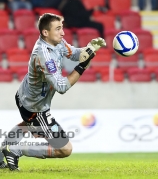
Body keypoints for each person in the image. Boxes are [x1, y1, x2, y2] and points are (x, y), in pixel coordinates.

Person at [0, 13, 106, 171]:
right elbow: (61, 86)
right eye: (58, 29)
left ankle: (2, 151)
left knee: (29, 125)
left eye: (62, 28)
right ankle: (16, 150)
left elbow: (75, 53)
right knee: (65, 149)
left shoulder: (57, 42)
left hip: (24, 96)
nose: (63, 32)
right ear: (45, 33)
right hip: (35, 107)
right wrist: (82, 66)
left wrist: (89, 49)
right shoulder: (44, 55)